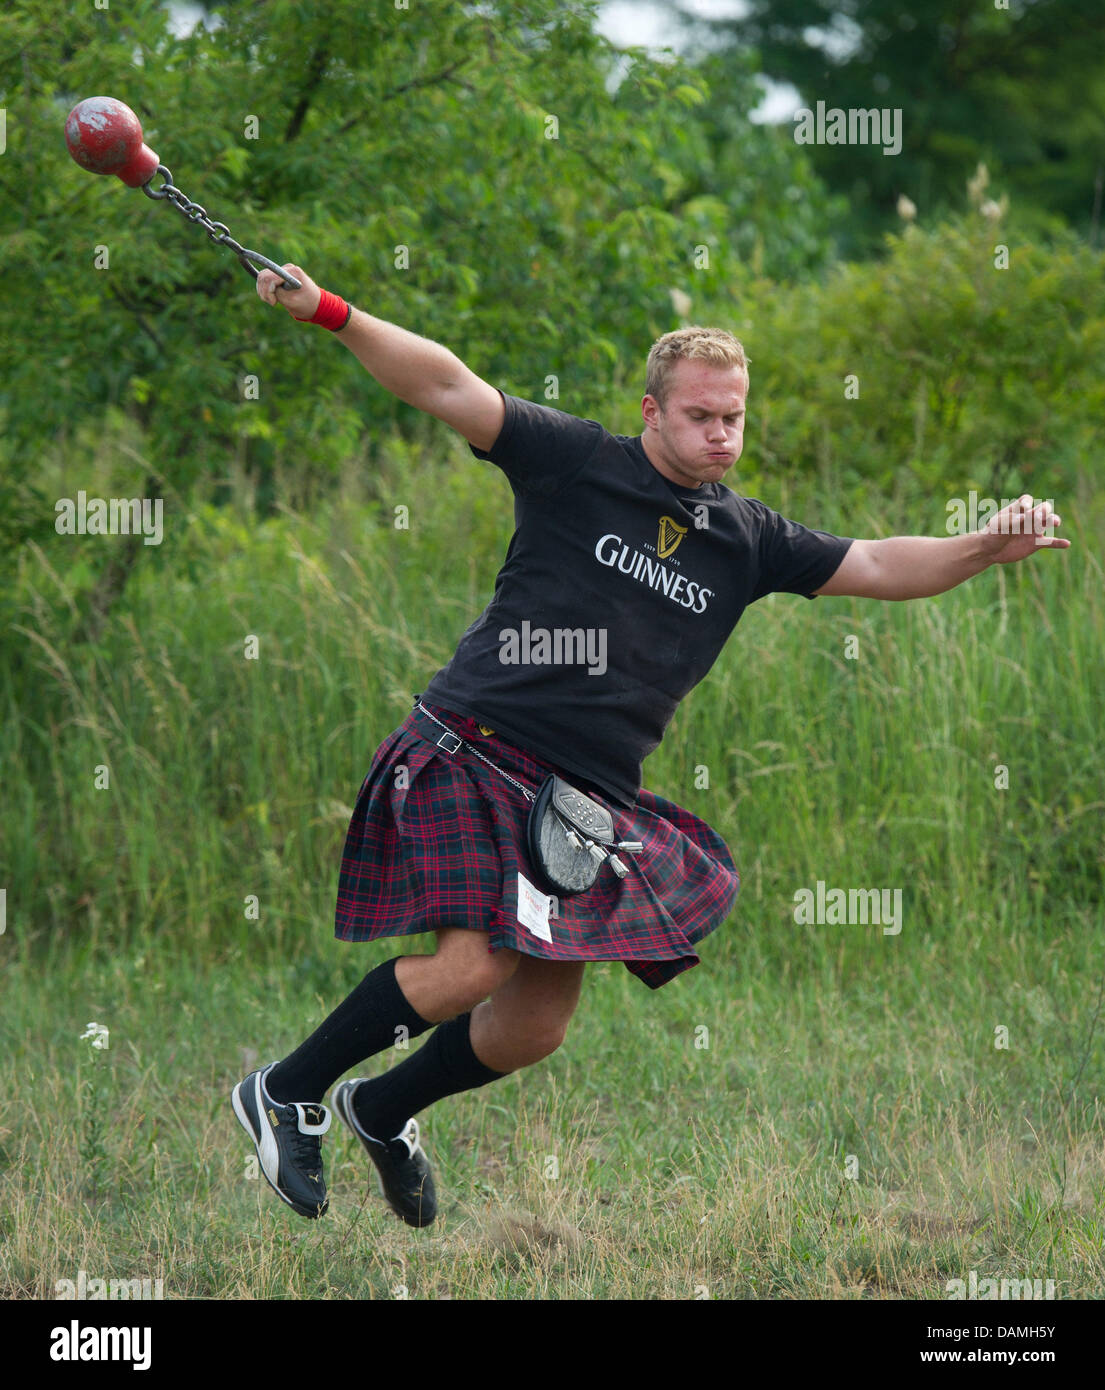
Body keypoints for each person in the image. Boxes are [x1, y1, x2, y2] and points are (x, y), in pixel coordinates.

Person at [232, 266, 1069, 1227]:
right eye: (702, 415)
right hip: (477, 746)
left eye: (735, 418)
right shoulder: (574, 461)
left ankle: (379, 1109)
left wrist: (980, 546)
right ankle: (285, 1090)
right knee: (471, 968)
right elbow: (446, 385)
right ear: (651, 410)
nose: (722, 434)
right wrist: (332, 313)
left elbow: (877, 563)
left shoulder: (746, 539)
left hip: (584, 800)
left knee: (533, 1028)